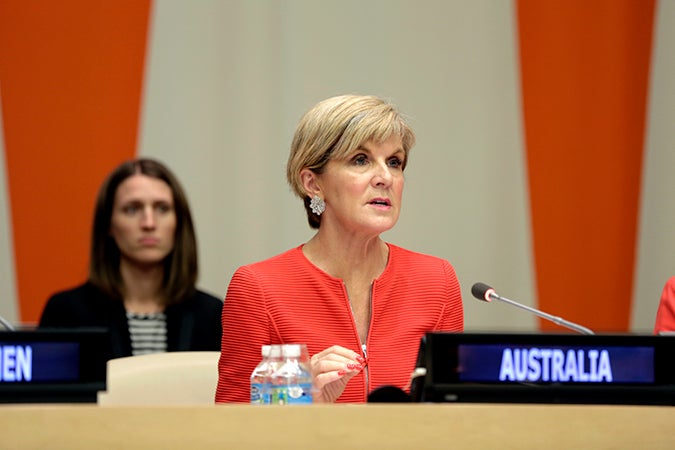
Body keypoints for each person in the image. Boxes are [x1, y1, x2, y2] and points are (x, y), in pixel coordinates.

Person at [215, 94, 463, 403]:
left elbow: (456, 415)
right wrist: (301, 398)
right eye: (360, 159)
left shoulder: (436, 281)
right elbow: (231, 429)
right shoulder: (259, 288)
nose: (385, 177)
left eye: (394, 162)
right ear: (312, 183)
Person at [39, 158, 222, 358]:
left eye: (162, 208)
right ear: (109, 223)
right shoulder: (67, 312)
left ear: (179, 222)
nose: (149, 223)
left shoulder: (211, 314)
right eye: (132, 209)